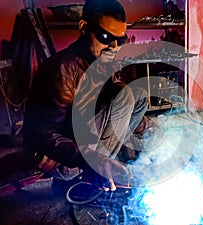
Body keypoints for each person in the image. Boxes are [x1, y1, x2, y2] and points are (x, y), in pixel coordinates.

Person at [23, 0, 148, 191]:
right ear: (84, 28)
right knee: (124, 95)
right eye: (105, 36)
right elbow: (41, 135)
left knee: (138, 95)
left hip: (85, 141)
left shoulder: (102, 61)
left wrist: (157, 132)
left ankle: (107, 167)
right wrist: (89, 161)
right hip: (62, 160)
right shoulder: (61, 70)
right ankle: (85, 176)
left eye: (120, 40)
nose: (114, 46)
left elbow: (113, 111)